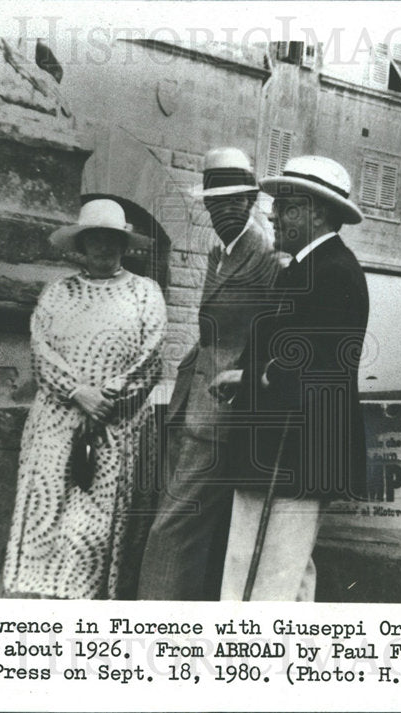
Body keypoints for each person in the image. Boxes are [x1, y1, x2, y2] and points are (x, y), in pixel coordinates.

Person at [213, 155, 370, 601]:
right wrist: (246, 376)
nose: (272, 214)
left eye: (285, 207)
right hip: (282, 449)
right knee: (287, 575)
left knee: (266, 576)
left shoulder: (335, 272)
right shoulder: (304, 269)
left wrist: (253, 377)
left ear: (317, 212)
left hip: (294, 452)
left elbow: (323, 368)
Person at [3, 199, 167, 599]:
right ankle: (40, 605)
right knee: (48, 516)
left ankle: (85, 607)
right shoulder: (57, 293)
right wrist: (78, 392)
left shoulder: (145, 293)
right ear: (81, 243)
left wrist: (107, 398)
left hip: (114, 425)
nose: (104, 248)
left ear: (124, 245)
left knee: (92, 527)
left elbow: (152, 354)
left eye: (113, 240)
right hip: (57, 423)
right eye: (95, 239)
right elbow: (40, 349)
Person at [138, 147, 281, 600]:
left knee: (173, 527)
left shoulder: (265, 256)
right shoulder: (220, 250)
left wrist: (242, 378)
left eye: (231, 202)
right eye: (213, 203)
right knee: (184, 523)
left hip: (223, 412)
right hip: (193, 400)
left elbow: (273, 335)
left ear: (251, 201)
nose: (220, 212)